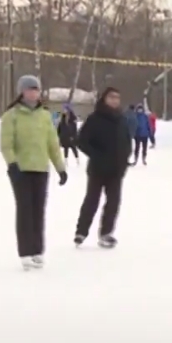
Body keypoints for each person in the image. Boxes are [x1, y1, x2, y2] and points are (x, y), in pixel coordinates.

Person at [1, 75, 68, 270]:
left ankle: (37, 249)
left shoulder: (45, 115)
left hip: (41, 169)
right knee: (25, 210)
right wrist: (12, 165)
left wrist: (60, 168)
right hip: (21, 170)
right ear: (22, 92)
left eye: (36, 89)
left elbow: (52, 144)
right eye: (30, 89)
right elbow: (6, 144)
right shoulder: (11, 115)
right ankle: (25, 252)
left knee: (38, 211)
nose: (34, 93)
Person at [74, 87, 130, 249]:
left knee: (113, 202)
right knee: (92, 200)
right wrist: (96, 155)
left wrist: (125, 160)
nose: (114, 100)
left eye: (117, 98)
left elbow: (126, 141)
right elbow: (82, 141)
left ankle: (106, 233)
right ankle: (81, 231)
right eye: (111, 97)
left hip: (116, 169)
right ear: (104, 99)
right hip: (98, 168)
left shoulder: (121, 119)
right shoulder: (94, 118)